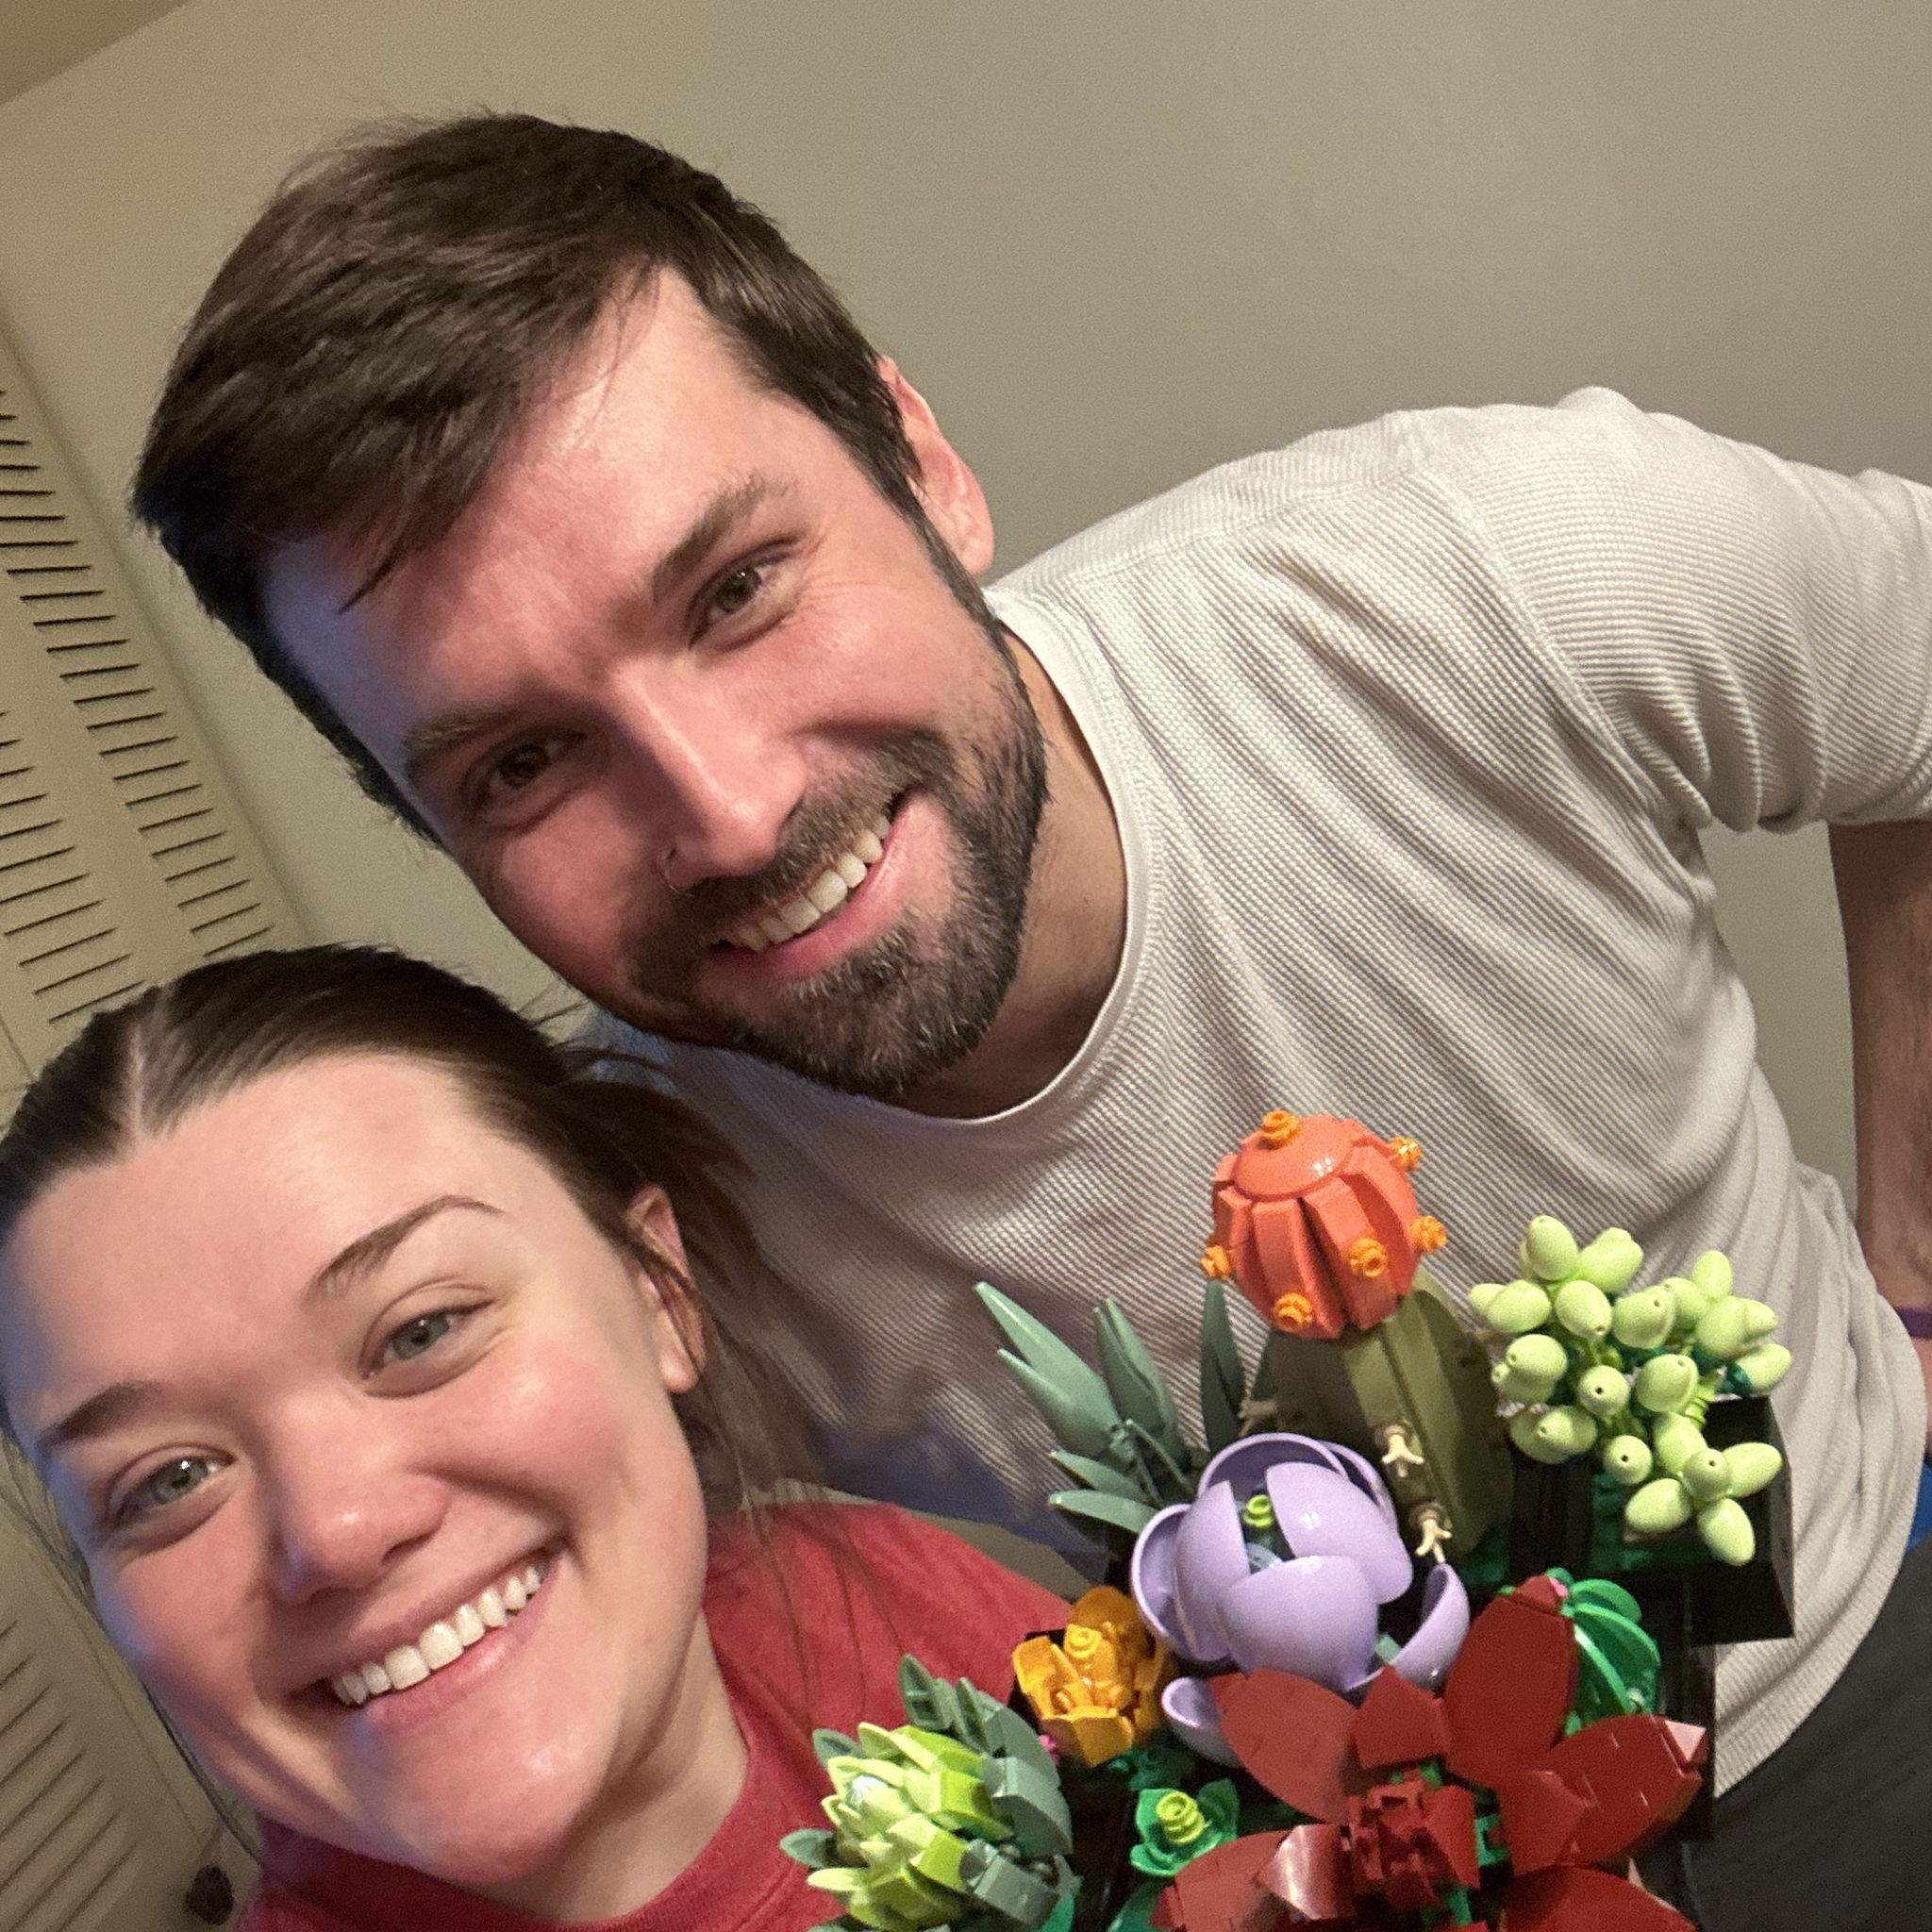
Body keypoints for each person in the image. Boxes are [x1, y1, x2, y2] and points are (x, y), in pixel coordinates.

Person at [128, 114, 1931, 1927]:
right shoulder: (639, 1219)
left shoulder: (1481, 572)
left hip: (1873, 1655)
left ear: (917, 461)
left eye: (737, 588)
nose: (732, 814)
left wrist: (1913, 1263)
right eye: (521, 763)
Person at [0, 946, 1069, 1931]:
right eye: (169, 1478)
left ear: (657, 1294)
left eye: (421, 1331)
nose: (336, 1531)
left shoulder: (872, 1580)